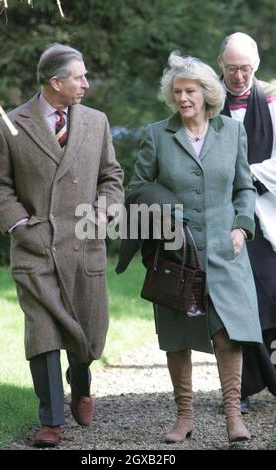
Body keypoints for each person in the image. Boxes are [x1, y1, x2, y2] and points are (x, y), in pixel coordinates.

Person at [116, 51, 262, 443]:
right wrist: (168, 212)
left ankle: (234, 414)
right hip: (176, 252)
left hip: (225, 249)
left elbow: (243, 187)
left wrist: (242, 227)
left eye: (190, 91)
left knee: (229, 331)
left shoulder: (232, 132)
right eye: (177, 92)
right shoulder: (156, 135)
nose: (183, 98)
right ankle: (184, 416)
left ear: (206, 94)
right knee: (178, 333)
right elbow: (138, 187)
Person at [0, 43, 124, 447]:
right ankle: (51, 420)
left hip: (83, 245)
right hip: (35, 246)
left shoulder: (96, 122)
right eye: (79, 77)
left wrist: (103, 212)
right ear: (55, 82)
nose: (86, 83)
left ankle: (81, 383)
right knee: (43, 332)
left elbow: (111, 177)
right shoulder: (10, 125)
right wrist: (18, 224)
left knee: (86, 333)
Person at [218, 32, 276, 413]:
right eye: (232, 68)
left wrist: (246, 175)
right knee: (235, 301)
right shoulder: (208, 100)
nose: (239, 76)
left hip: (267, 215)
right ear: (220, 65)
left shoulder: (273, 100)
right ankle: (240, 386)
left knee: (271, 294)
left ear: (256, 65)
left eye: (246, 68)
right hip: (224, 218)